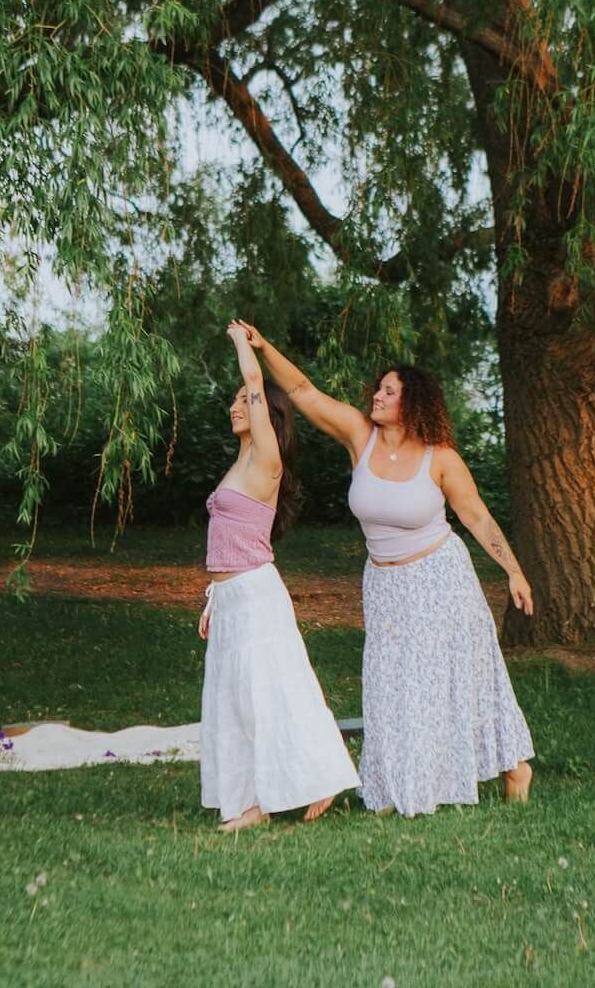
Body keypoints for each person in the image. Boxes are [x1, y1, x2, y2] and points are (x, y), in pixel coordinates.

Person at [236, 322, 535, 817]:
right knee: (390, 686)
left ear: (412, 402)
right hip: (385, 584)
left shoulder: (441, 460)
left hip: (441, 580)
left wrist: (514, 572)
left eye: (389, 391)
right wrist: (264, 348)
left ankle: (513, 766)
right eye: (379, 388)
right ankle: (396, 785)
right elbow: (303, 390)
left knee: (463, 680)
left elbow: (477, 516)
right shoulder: (360, 437)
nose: (377, 395)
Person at [197, 323, 359, 831]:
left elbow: (255, 382)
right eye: (234, 402)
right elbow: (226, 539)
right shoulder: (240, 460)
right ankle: (251, 800)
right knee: (235, 699)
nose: (235, 406)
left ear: (265, 413)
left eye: (244, 402)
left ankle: (290, 789)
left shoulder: (266, 458)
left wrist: (244, 343)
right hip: (231, 597)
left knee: (272, 692)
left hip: (256, 595)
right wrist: (211, 598)